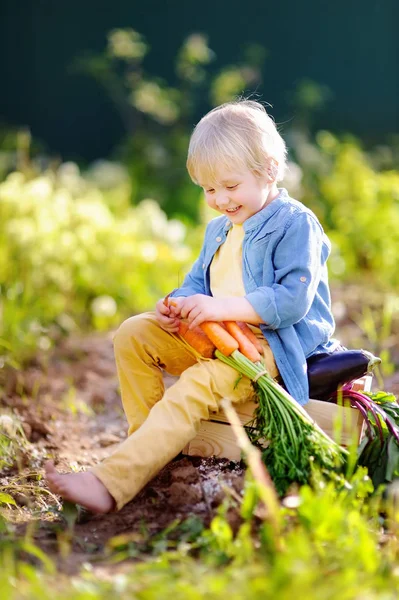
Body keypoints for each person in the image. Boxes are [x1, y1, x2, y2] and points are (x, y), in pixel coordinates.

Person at [45, 99, 338, 513]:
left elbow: (292, 301)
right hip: (217, 338)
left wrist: (223, 310)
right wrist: (178, 303)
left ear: (269, 170)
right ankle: (150, 452)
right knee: (134, 333)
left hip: (266, 349)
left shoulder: (295, 224)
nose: (220, 199)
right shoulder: (220, 229)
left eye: (230, 186)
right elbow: (197, 282)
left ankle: (112, 483)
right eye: (209, 189)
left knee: (198, 382)